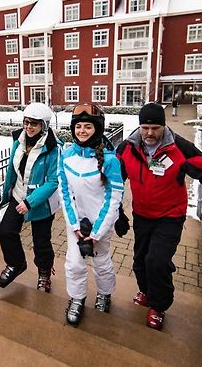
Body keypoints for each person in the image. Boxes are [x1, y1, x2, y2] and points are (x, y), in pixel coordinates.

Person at [116, 102, 202, 330]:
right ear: (139, 126)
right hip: (142, 214)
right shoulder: (127, 149)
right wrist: (116, 212)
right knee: (140, 260)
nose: (149, 133)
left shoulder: (180, 148)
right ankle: (146, 292)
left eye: (155, 128)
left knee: (157, 261)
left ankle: (159, 305)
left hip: (170, 215)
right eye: (145, 127)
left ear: (164, 126)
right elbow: (114, 180)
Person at [59, 104, 124, 327]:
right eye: (79, 126)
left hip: (101, 225)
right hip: (75, 223)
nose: (82, 131)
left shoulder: (111, 161)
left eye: (88, 126)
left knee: (101, 262)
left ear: (97, 129)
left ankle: (105, 294)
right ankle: (77, 298)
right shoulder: (66, 156)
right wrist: (74, 225)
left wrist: (97, 231)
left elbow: (114, 198)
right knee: (74, 264)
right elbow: (64, 192)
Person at [0, 102, 61, 292]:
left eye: (34, 123)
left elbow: (53, 181)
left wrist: (30, 201)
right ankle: (16, 263)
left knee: (41, 242)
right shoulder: (19, 141)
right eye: (26, 122)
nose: (28, 127)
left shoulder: (53, 148)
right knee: (6, 231)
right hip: (18, 195)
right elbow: (13, 169)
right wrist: (8, 192)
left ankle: (44, 273)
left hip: (40, 204)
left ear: (44, 125)